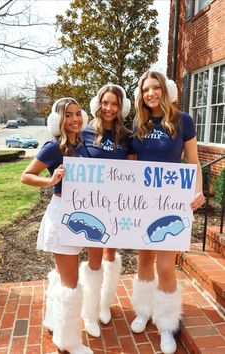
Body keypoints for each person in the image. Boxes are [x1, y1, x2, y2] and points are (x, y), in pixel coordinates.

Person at [130, 71, 205, 354]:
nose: (151, 93)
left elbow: (194, 162)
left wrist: (197, 191)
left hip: (172, 205)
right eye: (146, 89)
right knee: (144, 260)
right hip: (143, 204)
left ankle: (167, 324)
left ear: (165, 89)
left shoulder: (183, 120)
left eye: (155, 88)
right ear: (141, 94)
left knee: (165, 266)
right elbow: (131, 167)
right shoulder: (138, 123)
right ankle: (143, 311)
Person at [21, 97, 93, 354]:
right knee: (70, 284)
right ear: (58, 120)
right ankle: (69, 342)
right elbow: (26, 175)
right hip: (61, 215)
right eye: (68, 115)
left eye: (77, 114)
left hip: (78, 215)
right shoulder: (53, 147)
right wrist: (50, 181)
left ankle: (54, 321)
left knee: (64, 279)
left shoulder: (83, 144)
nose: (74, 119)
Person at [79, 84, 135, 337]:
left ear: (121, 107)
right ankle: (89, 312)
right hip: (92, 205)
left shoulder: (128, 137)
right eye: (105, 103)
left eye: (114, 104)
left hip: (116, 206)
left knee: (110, 255)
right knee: (94, 258)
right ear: (98, 104)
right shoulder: (85, 132)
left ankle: (104, 304)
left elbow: (133, 172)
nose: (109, 108)